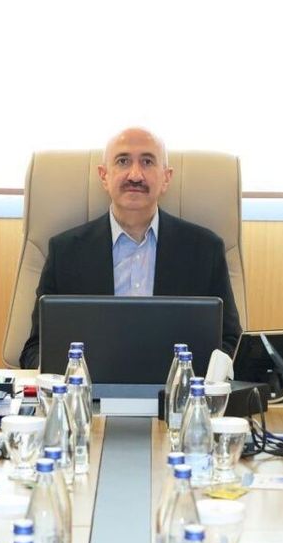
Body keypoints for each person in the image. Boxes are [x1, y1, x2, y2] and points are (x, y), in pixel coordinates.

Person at [17, 127, 242, 368]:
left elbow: (231, 343)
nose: (135, 175)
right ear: (104, 176)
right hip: (91, 390)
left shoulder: (205, 251)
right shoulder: (65, 253)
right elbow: (35, 350)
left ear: (166, 178)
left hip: (177, 390)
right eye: (123, 161)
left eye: (147, 161)